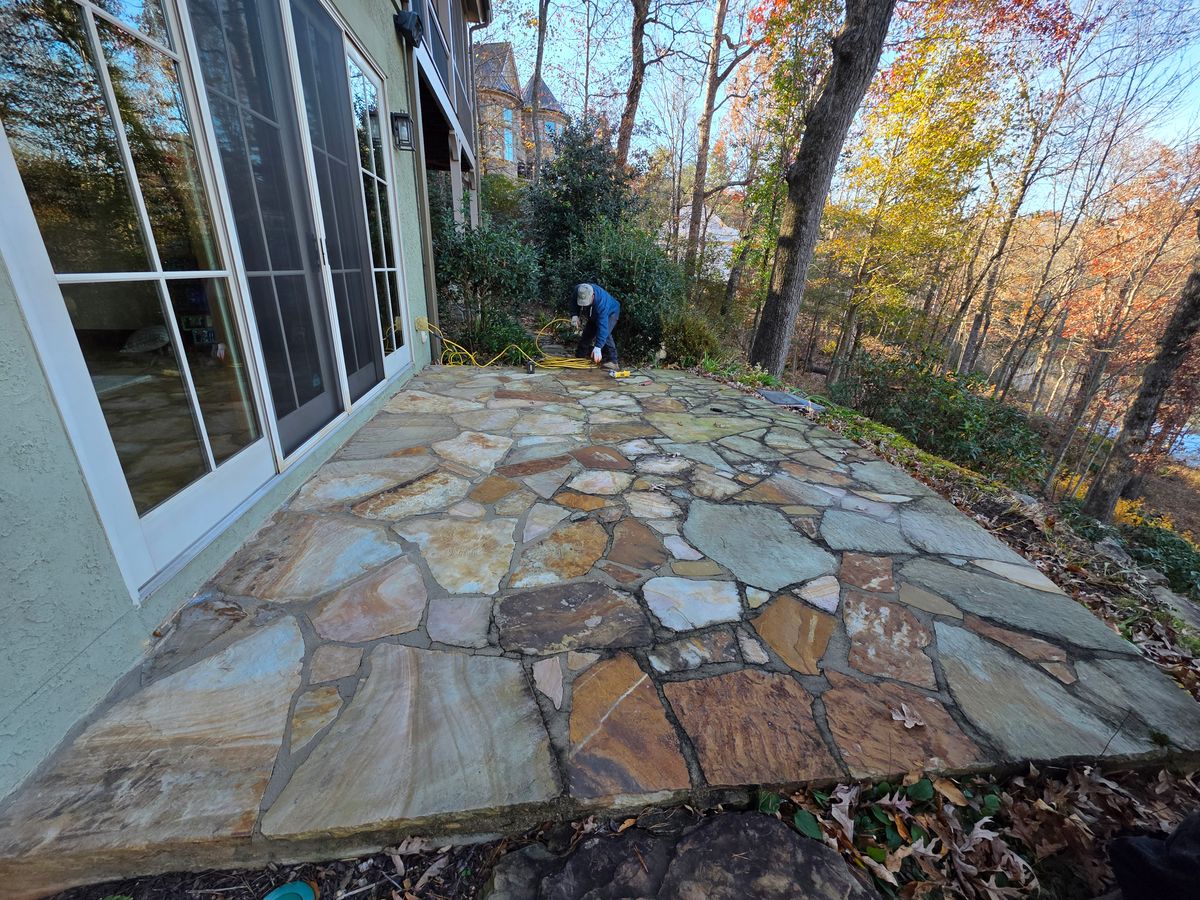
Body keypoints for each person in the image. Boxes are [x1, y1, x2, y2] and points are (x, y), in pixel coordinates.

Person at [570, 283, 621, 370]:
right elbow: (573, 302)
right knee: (588, 333)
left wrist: (598, 347)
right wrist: (574, 315)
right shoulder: (579, 290)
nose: (583, 305)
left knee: (606, 334)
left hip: (611, 313)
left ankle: (613, 361)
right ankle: (580, 356)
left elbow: (603, 328)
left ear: (592, 295)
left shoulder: (602, 304)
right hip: (593, 312)